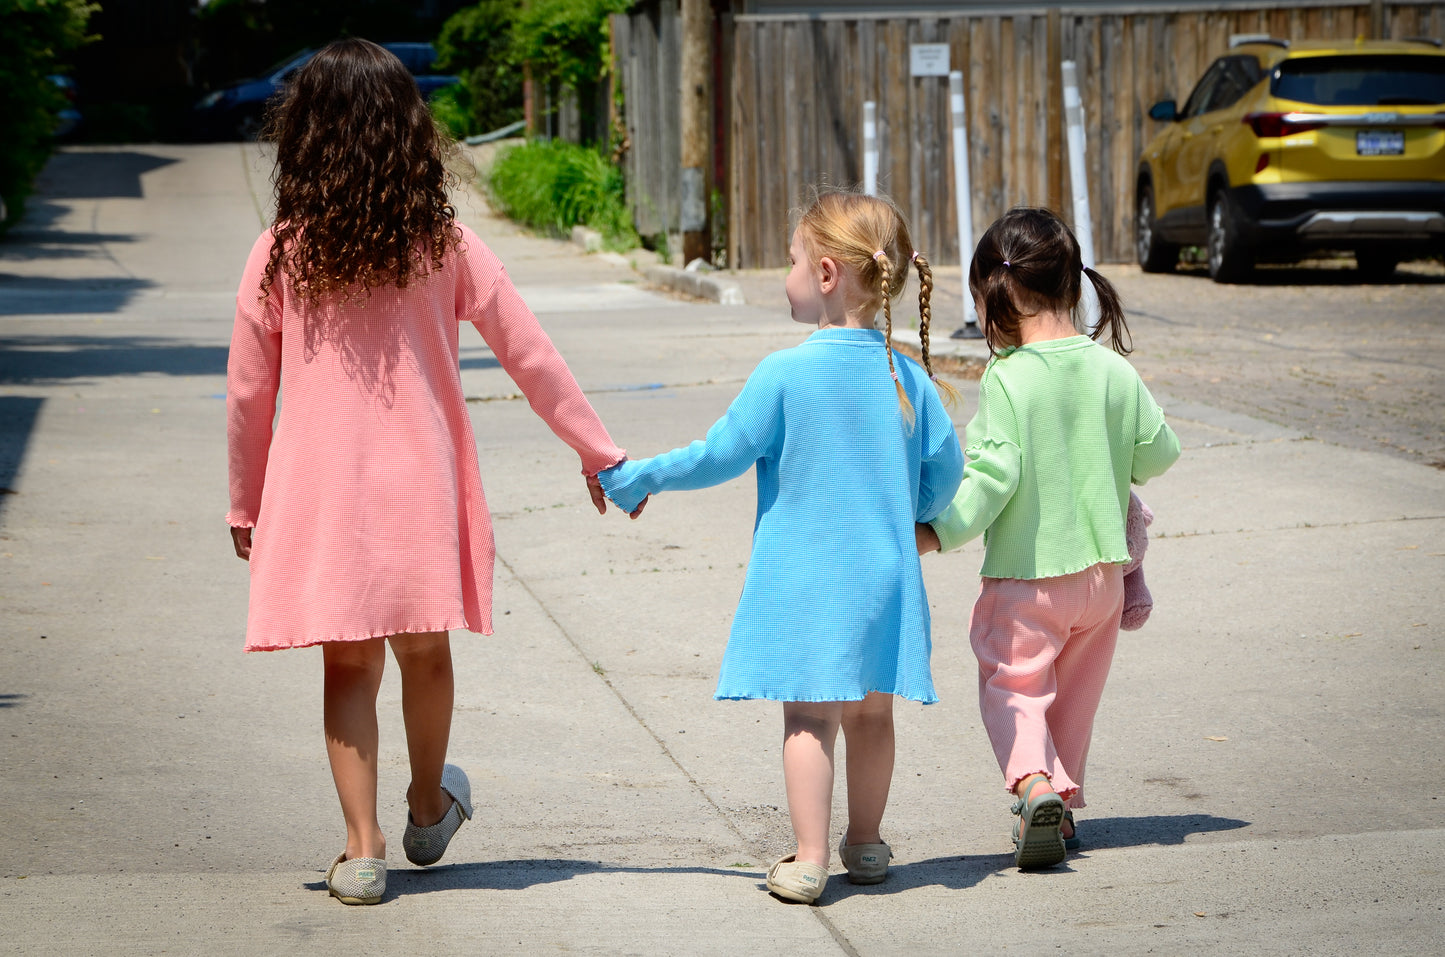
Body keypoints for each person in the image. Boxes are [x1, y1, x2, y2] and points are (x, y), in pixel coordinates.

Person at [225, 38, 628, 905]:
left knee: (347, 669)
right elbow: (531, 355)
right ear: (411, 136)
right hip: (421, 488)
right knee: (426, 654)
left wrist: (244, 500)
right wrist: (597, 449)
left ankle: (362, 848)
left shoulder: (279, 252)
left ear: (304, 139)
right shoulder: (444, 243)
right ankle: (425, 803)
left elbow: (247, 396)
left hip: (322, 493)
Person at [599, 191, 964, 904]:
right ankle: (865, 841)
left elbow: (720, 454)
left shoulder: (785, 373)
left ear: (826, 273)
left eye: (791, 260)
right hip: (884, 577)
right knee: (870, 715)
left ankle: (806, 856)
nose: (784, 274)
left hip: (809, 580)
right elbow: (947, 471)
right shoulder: (907, 377)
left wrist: (642, 477)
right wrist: (907, 511)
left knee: (808, 718)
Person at [916, 206, 1181, 870]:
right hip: (1102, 582)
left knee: (1011, 684)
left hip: (1030, 576)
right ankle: (1058, 813)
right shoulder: (1111, 370)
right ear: (1072, 285)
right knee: (1073, 696)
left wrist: (936, 530)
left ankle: (1034, 783)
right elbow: (1158, 453)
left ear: (992, 296)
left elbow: (991, 476)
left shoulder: (1009, 378)